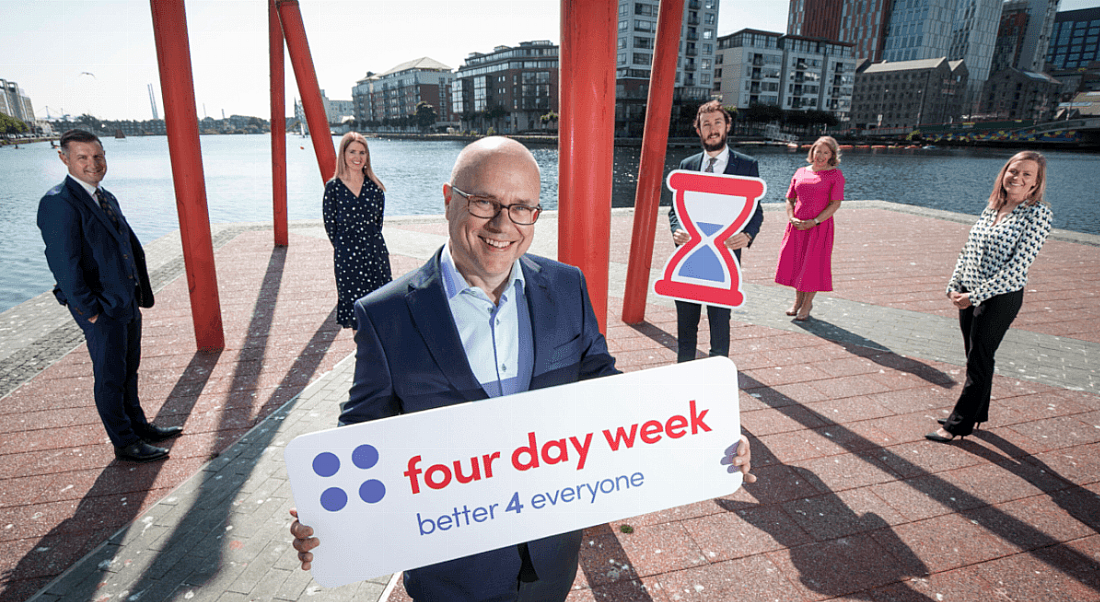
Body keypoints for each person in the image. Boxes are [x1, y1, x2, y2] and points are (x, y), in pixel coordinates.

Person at [291, 136, 756, 601]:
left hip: (550, 559)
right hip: (452, 573)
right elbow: (360, 433)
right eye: (484, 202)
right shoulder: (386, 314)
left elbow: (601, 387)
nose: (502, 224)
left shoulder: (566, 286)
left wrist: (705, 435)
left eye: (521, 208)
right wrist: (326, 514)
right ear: (449, 199)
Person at [37, 129, 182, 462]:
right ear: (64, 159)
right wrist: (89, 310)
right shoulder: (58, 202)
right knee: (109, 376)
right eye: (82, 157)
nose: (93, 164)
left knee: (129, 369)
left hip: (125, 300)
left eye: (98, 156)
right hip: (101, 308)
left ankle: (139, 426)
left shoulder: (105, 196)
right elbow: (63, 263)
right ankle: (125, 441)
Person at [927, 151, 1053, 443]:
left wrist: (976, 296)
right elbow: (968, 250)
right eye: (1014, 171)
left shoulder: (1038, 214)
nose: (1018, 178)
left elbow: (1018, 267)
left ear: (1035, 183)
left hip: (1000, 298)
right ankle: (976, 413)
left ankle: (958, 425)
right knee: (975, 357)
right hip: (968, 293)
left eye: (1027, 175)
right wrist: (954, 285)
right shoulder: (993, 207)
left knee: (980, 358)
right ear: (1004, 173)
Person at [670, 100, 765, 363]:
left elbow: (756, 211)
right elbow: (674, 209)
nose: (712, 129)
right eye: (706, 124)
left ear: (727, 126)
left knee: (720, 327)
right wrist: (677, 229)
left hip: (724, 262)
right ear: (698, 129)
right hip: (689, 259)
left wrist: (747, 235)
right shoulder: (687, 164)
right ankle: (684, 379)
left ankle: (715, 383)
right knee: (686, 327)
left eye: (717, 123)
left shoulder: (746, 165)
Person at [323, 132, 392, 330]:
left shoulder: (375, 188)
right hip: (347, 257)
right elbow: (331, 227)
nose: (357, 157)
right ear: (343, 154)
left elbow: (377, 223)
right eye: (352, 151)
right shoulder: (333, 188)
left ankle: (379, 355)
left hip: (375, 254)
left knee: (378, 307)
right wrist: (346, 248)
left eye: (362, 152)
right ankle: (362, 355)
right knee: (355, 312)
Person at [774, 135, 845, 321]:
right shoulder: (800, 172)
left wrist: (815, 221)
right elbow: (789, 199)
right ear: (812, 151)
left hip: (819, 227)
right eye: (817, 151)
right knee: (798, 263)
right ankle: (797, 301)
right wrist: (791, 217)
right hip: (797, 226)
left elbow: (835, 204)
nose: (820, 156)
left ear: (831, 155)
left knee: (812, 266)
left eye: (825, 153)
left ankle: (807, 305)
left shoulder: (835, 175)